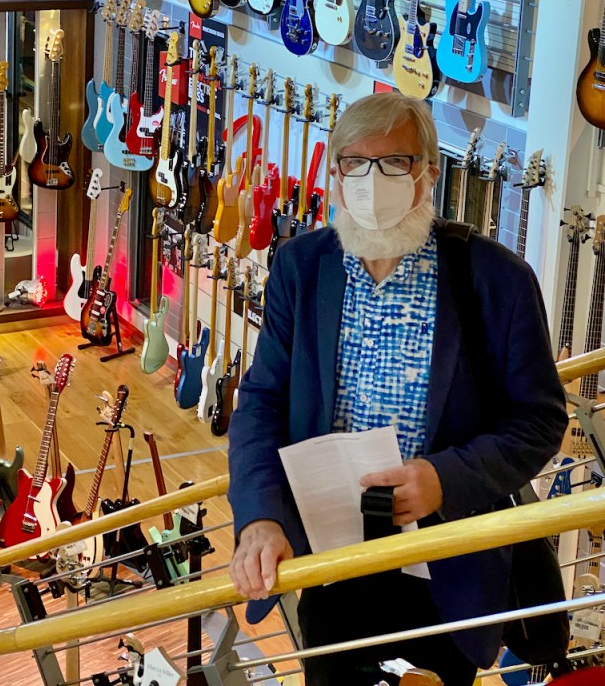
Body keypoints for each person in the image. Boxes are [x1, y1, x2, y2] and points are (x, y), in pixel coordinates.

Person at [228, 93, 568, 686]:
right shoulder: (300, 267)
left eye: (393, 162)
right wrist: (260, 516)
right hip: (332, 559)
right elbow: (262, 403)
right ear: (335, 175)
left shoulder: (497, 280)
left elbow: (538, 421)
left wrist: (445, 478)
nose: (371, 180)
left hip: (446, 567)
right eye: (354, 163)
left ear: (428, 173)